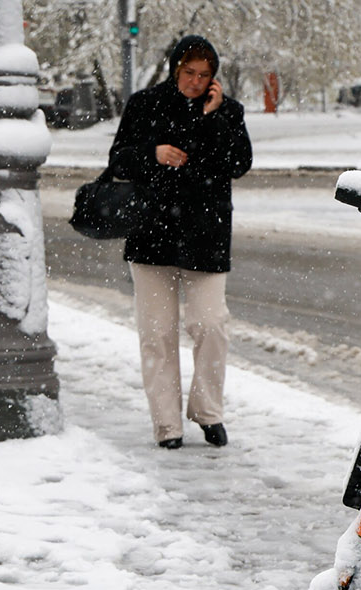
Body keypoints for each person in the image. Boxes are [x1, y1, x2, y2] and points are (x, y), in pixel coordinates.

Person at [109, 34, 252, 449]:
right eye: (189, 72)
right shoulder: (145, 104)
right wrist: (152, 154)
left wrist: (213, 117)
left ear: (214, 78)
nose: (195, 81)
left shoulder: (227, 111)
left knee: (211, 325)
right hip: (151, 234)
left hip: (206, 236)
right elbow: (118, 159)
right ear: (176, 69)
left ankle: (208, 412)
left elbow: (238, 163)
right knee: (156, 333)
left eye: (204, 75)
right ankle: (167, 425)